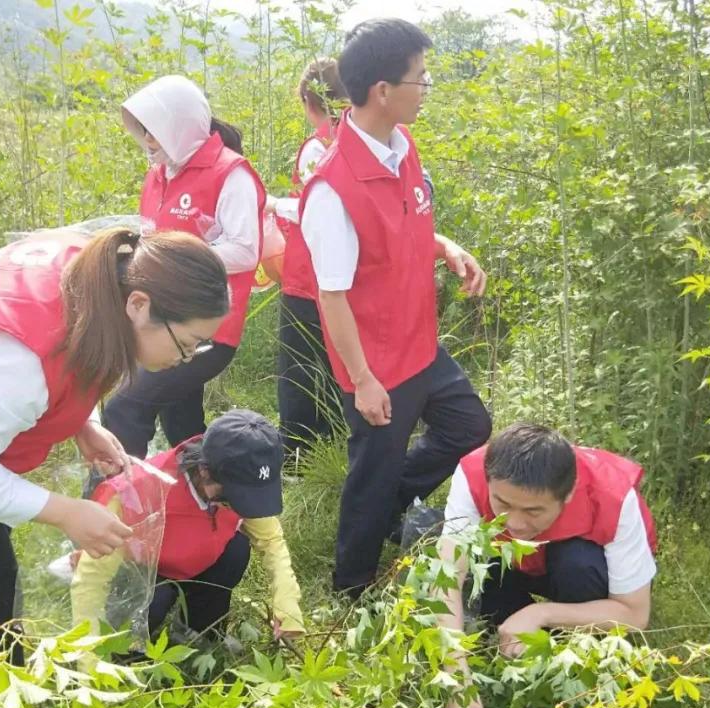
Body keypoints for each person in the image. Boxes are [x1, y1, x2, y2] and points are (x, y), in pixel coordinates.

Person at [0, 227, 230, 670]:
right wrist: (65, 511)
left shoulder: (102, 273)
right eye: (185, 345)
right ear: (140, 305)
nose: (185, 360)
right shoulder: (25, 364)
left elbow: (73, 358)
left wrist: (82, 424)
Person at [291, 19, 492, 595]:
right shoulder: (333, 189)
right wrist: (362, 380)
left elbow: (404, 227)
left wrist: (446, 246)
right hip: (377, 359)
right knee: (373, 471)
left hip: (420, 340)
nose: (426, 87)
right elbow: (332, 295)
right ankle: (351, 586)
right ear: (383, 90)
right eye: (421, 78)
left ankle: (385, 508)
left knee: (469, 426)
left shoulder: (402, 149)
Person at [436, 422, 659, 708]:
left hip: (581, 571)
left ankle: (571, 658)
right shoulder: (472, 474)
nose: (514, 522)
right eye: (502, 504)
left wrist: (542, 614)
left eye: (533, 511)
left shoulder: (612, 496)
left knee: (578, 563)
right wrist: (457, 677)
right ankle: (514, 643)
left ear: (567, 494)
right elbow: (445, 578)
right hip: (518, 562)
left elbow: (635, 614)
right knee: (477, 565)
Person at [103, 75, 267, 458]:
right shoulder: (159, 174)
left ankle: (117, 500)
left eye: (155, 132)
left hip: (208, 327)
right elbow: (151, 236)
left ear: (180, 129)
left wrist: (174, 255)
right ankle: (200, 494)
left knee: (126, 407)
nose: (148, 142)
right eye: (144, 132)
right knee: (181, 423)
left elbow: (245, 250)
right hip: (160, 319)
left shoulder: (231, 173)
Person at [70, 410, 304, 640]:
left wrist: (287, 602)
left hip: (193, 558)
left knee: (236, 551)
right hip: (140, 569)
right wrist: (88, 658)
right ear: (204, 471)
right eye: (232, 498)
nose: (240, 507)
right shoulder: (137, 494)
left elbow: (271, 540)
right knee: (152, 605)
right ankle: (130, 649)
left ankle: (197, 629)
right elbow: (92, 580)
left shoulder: (238, 475)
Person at [266, 58, 349, 457]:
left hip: (309, 272)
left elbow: (312, 211)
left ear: (309, 101)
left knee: (300, 363)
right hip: (350, 275)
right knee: (337, 358)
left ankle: (299, 453)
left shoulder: (318, 148)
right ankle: (337, 440)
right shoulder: (366, 140)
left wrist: (272, 204)